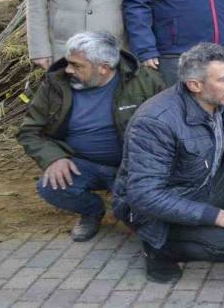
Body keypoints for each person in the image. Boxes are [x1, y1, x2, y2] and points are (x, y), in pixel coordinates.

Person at [112, 43, 224, 282]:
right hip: (156, 210)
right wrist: (223, 217)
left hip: (200, 185)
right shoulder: (156, 121)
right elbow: (144, 196)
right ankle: (159, 248)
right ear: (195, 85)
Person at [17, 32, 164, 242]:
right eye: (69, 63)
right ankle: (92, 211)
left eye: (77, 66)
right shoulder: (56, 85)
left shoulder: (145, 81)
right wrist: (54, 158)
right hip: (82, 164)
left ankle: (125, 201)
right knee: (51, 187)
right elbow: (29, 131)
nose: (68, 70)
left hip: (133, 166)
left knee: (142, 221)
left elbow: (169, 125)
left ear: (103, 67)